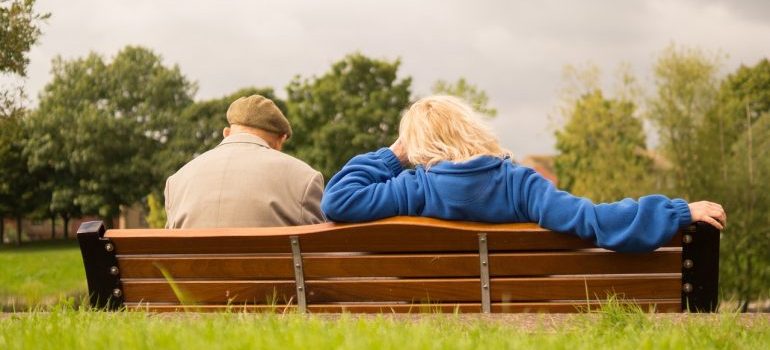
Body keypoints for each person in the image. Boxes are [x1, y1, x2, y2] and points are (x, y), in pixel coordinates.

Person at [321, 95, 726, 252]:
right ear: (471, 129)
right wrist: (675, 212)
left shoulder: (411, 188)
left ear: (419, 145)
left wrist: (393, 155)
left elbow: (337, 200)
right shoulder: (520, 184)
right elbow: (592, 220)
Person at [164, 94, 325, 228]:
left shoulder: (176, 181)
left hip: (190, 268)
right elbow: (320, 253)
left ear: (226, 133)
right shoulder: (305, 178)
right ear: (280, 139)